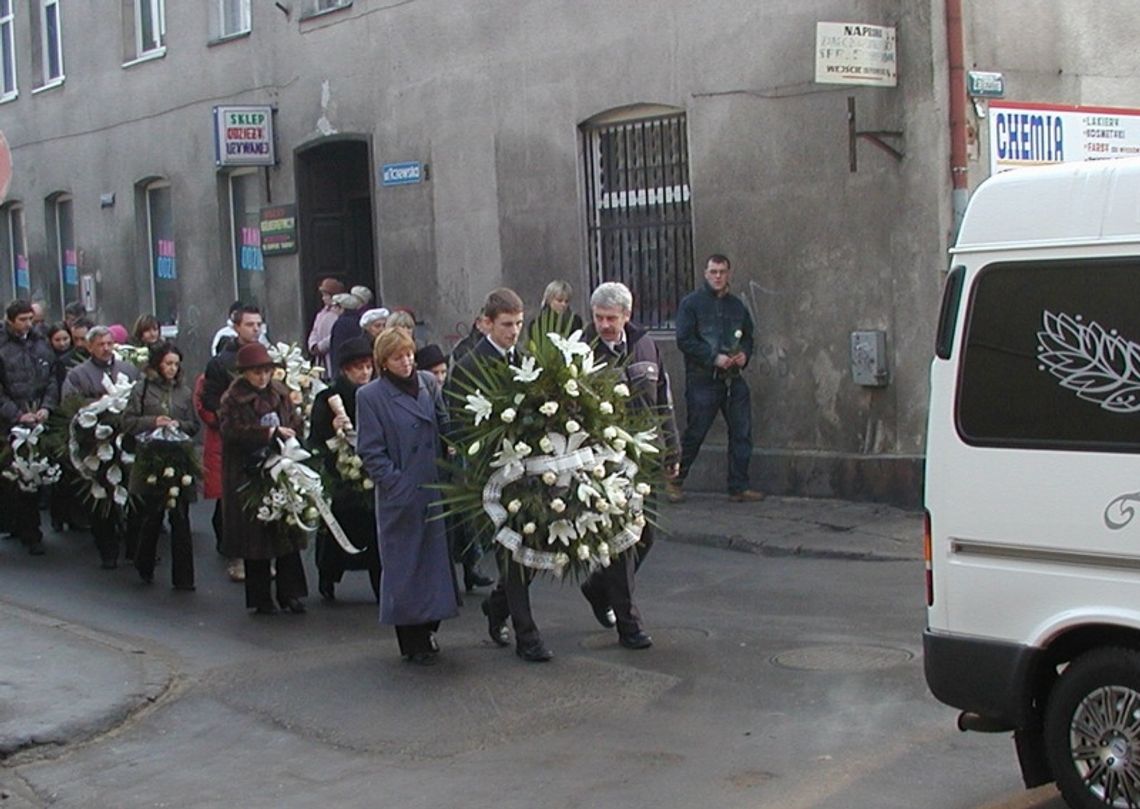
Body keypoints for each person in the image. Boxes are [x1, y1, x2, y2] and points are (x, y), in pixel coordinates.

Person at [449, 287, 554, 662]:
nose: (514, 332)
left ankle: (497, 606)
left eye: (519, 324)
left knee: (536, 547)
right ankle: (528, 637)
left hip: (528, 472)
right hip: (489, 478)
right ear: (486, 323)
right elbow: (457, 423)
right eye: (507, 324)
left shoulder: (524, 360)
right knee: (511, 551)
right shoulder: (467, 365)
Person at [580, 282, 680, 649]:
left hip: (645, 457)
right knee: (621, 543)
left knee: (645, 536)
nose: (604, 325)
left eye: (611, 318)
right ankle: (629, 623)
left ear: (627, 315)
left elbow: (663, 401)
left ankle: (597, 587)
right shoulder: (582, 350)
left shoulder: (646, 346)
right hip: (604, 462)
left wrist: (672, 451)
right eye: (599, 317)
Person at [357, 328, 459, 664]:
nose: (406, 362)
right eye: (398, 357)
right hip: (402, 494)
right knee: (405, 567)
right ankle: (411, 640)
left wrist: (454, 459)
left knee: (433, 565)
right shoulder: (371, 396)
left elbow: (445, 424)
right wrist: (395, 484)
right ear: (383, 362)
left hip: (433, 486)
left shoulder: (428, 383)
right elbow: (370, 450)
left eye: (409, 354)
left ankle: (430, 627)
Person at [219, 342, 308, 615]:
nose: (262, 377)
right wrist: (267, 433)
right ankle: (261, 598)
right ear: (244, 373)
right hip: (249, 471)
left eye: (266, 371)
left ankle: (290, 592)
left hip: (281, 465)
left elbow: (293, 421)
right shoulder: (232, 399)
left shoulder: (280, 394)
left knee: (286, 530)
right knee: (256, 537)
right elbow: (231, 432)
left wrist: (292, 431)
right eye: (256, 372)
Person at [672, 254, 763, 503]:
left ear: (729, 274)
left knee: (742, 432)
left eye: (722, 271)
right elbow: (684, 339)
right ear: (705, 273)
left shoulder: (736, 306)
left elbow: (748, 336)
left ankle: (738, 486)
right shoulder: (691, 304)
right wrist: (713, 357)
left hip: (733, 379)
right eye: (713, 271)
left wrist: (744, 354)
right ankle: (675, 480)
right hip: (703, 379)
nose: (718, 276)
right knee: (695, 432)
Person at [61, 325, 141, 568]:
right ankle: (107, 549)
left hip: (127, 440)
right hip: (96, 444)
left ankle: (134, 546)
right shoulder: (78, 375)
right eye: (100, 345)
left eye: (109, 343)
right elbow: (71, 404)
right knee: (102, 494)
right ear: (89, 346)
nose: (106, 349)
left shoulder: (127, 369)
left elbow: (140, 398)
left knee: (132, 492)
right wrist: (101, 405)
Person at [308, 336, 381, 603]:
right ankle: (328, 575)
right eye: (358, 368)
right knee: (337, 530)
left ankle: (379, 583)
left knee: (374, 533)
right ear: (345, 370)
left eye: (368, 366)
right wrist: (334, 433)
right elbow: (316, 438)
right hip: (340, 476)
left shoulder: (375, 393)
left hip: (370, 472)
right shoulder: (328, 397)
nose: (364, 372)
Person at [417, 342, 493, 593]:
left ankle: (472, 568)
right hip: (435, 467)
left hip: (458, 464)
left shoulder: (452, 390)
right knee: (444, 527)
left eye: (442, 372)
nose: (440, 377)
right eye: (434, 373)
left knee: (466, 518)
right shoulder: (420, 393)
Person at [122, 342, 198, 590]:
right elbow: (129, 421)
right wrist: (153, 421)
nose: (172, 369)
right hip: (152, 456)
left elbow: (193, 425)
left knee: (181, 515)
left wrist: (178, 425)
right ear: (157, 364)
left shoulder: (184, 392)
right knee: (152, 514)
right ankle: (144, 564)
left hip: (178, 457)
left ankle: (184, 578)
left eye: (176, 364)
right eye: (168, 363)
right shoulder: (142, 389)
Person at [202, 304, 265, 582]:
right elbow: (210, 399)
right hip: (235, 439)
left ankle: (265, 554)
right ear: (236, 327)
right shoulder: (220, 362)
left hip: (266, 436)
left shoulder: (266, 356)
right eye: (250, 324)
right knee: (235, 500)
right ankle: (236, 555)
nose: (255, 329)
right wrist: (231, 418)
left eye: (259, 324)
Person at [0, 300, 58, 555]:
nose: (26, 324)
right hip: (11, 422)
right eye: (22, 319)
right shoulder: (3, 348)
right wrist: (16, 414)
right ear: (10, 320)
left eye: (29, 319)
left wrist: (46, 407)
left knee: (36, 474)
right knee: (14, 477)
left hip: (39, 418)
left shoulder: (41, 344)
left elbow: (52, 380)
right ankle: (21, 527)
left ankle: (31, 531)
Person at [526, 279, 583, 346]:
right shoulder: (537, 323)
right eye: (559, 300)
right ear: (549, 300)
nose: (563, 304)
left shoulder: (575, 321)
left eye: (566, 301)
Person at [307, 277, 344, 376]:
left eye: (325, 295)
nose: (323, 298)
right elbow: (314, 330)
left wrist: (322, 346)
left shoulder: (338, 313)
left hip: (330, 354)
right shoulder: (321, 313)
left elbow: (336, 334)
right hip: (320, 358)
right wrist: (313, 345)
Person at [328, 289, 367, 371]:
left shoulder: (341, 323)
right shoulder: (359, 320)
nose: (333, 309)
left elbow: (336, 349)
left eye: (335, 306)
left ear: (342, 308)